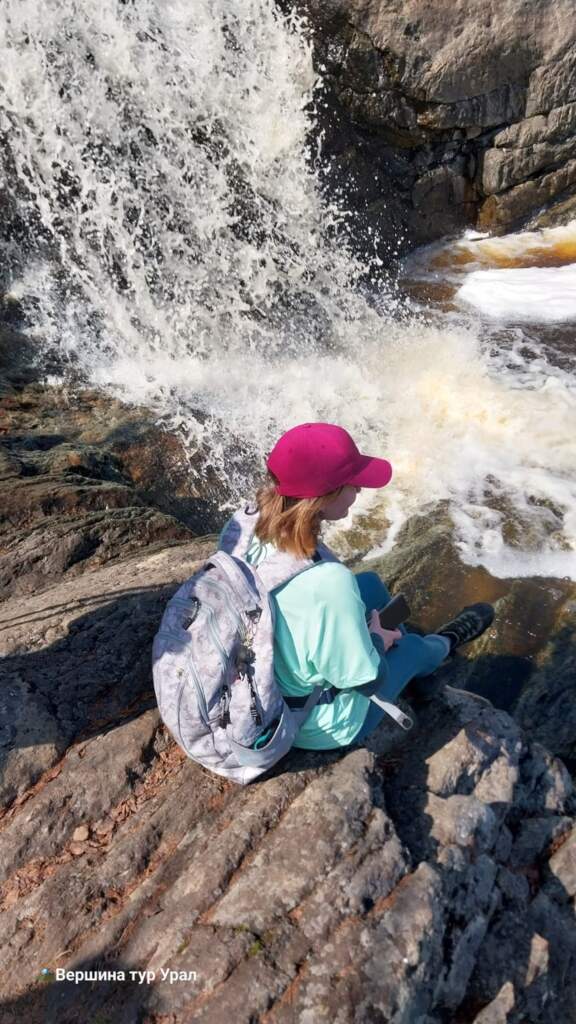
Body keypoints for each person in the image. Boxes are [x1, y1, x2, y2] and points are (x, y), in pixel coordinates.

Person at [220, 422, 494, 751]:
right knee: (411, 648)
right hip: (309, 721)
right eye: (353, 484)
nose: (360, 491)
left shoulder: (245, 524)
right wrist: (378, 639)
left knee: (371, 585)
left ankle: (406, 662)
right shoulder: (329, 582)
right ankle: (444, 644)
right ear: (325, 496)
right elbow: (365, 680)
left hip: (264, 670)